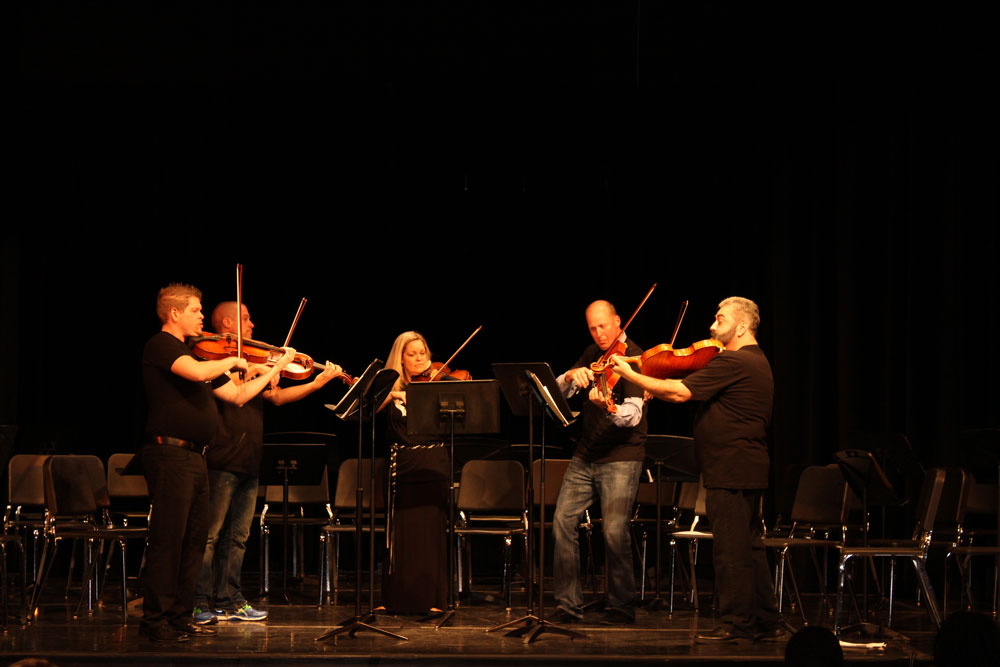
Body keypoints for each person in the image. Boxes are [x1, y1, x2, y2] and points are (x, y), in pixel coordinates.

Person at [610, 296, 782, 641]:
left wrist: (631, 374)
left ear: (743, 325)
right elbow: (679, 369)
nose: (712, 326)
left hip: (730, 467)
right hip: (746, 466)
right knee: (750, 546)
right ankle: (765, 619)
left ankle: (736, 624)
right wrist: (641, 361)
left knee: (730, 550)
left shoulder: (735, 362)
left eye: (720, 320)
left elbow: (677, 392)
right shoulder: (754, 361)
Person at [139, 284, 295, 642]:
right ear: (175, 313)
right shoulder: (163, 346)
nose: (200, 316)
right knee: (169, 539)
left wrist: (276, 369)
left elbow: (238, 394)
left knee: (194, 540)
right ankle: (154, 621)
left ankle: (179, 616)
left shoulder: (202, 357)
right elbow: (195, 374)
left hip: (196, 457)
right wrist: (234, 360)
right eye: (195, 310)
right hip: (169, 454)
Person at [193, 301, 344, 624]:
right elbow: (239, 393)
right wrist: (273, 369)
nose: (253, 325)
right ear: (227, 325)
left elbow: (275, 397)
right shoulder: (215, 362)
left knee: (238, 537)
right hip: (220, 458)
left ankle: (229, 598)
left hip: (249, 459)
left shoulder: (253, 362)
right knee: (209, 536)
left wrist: (316, 383)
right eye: (246, 319)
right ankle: (198, 600)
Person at [549, 300, 647, 625]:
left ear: (618, 321)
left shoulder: (635, 356)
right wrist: (568, 376)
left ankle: (621, 605)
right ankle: (567, 605)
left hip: (621, 455)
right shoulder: (594, 352)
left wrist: (610, 408)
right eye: (592, 327)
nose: (599, 333)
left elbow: (633, 415)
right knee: (562, 521)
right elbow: (560, 393)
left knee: (615, 531)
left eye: (603, 326)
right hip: (586, 453)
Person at [378, 331, 452, 616]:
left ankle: (433, 598)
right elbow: (368, 408)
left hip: (434, 464)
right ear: (401, 360)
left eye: (423, 353)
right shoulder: (392, 389)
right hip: (403, 466)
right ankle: (397, 598)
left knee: (431, 532)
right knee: (400, 534)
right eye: (413, 354)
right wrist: (396, 393)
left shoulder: (440, 384)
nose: (420, 359)